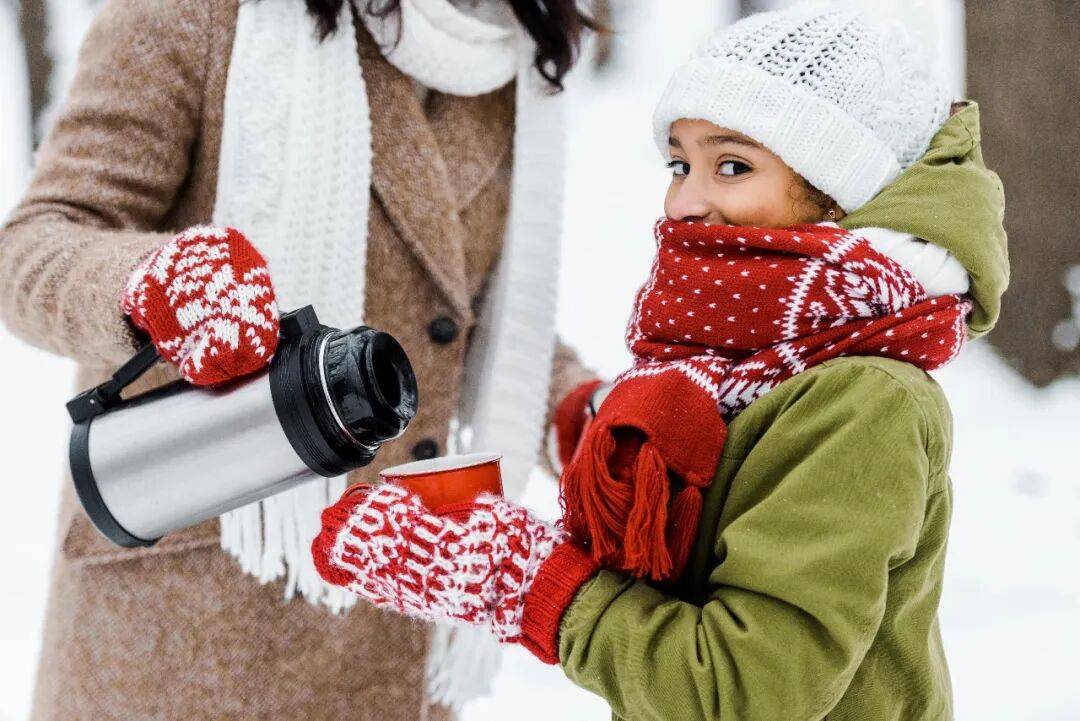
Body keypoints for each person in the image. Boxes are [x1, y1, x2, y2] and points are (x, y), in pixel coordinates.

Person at [310, 3, 1010, 720]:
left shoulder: (864, 400)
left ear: (837, 193)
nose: (685, 201)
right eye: (680, 163)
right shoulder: (743, 363)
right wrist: (594, 427)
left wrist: (527, 582)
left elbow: (743, 687)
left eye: (731, 165)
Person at [0, 0, 601, 718]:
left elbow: (471, 313)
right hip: (188, 632)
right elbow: (35, 244)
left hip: (398, 608)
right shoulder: (191, 15)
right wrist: (152, 284)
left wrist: (575, 410)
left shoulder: (505, 44)